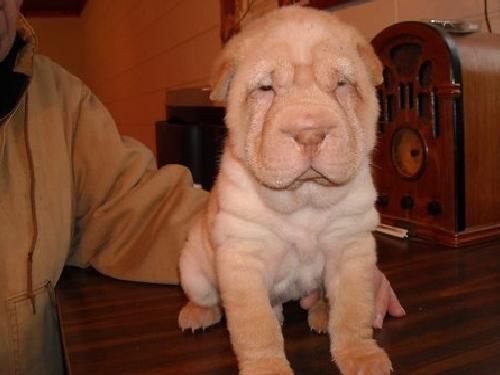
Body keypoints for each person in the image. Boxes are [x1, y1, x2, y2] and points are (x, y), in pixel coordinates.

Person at [0, 1, 405, 374]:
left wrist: (343, 275)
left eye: (340, 85)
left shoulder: (60, 102)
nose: (308, 125)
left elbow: (137, 204)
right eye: (266, 87)